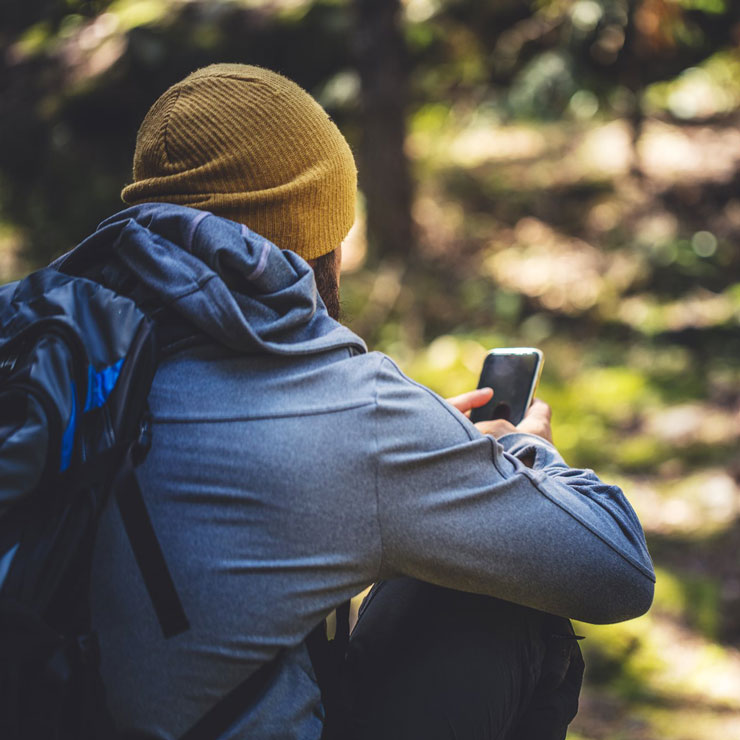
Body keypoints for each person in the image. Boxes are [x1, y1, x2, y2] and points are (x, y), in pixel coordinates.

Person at [68, 64, 655, 740]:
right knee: (497, 601)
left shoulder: (68, 354)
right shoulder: (347, 412)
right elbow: (618, 570)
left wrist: (426, 449)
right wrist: (523, 450)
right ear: (320, 236)